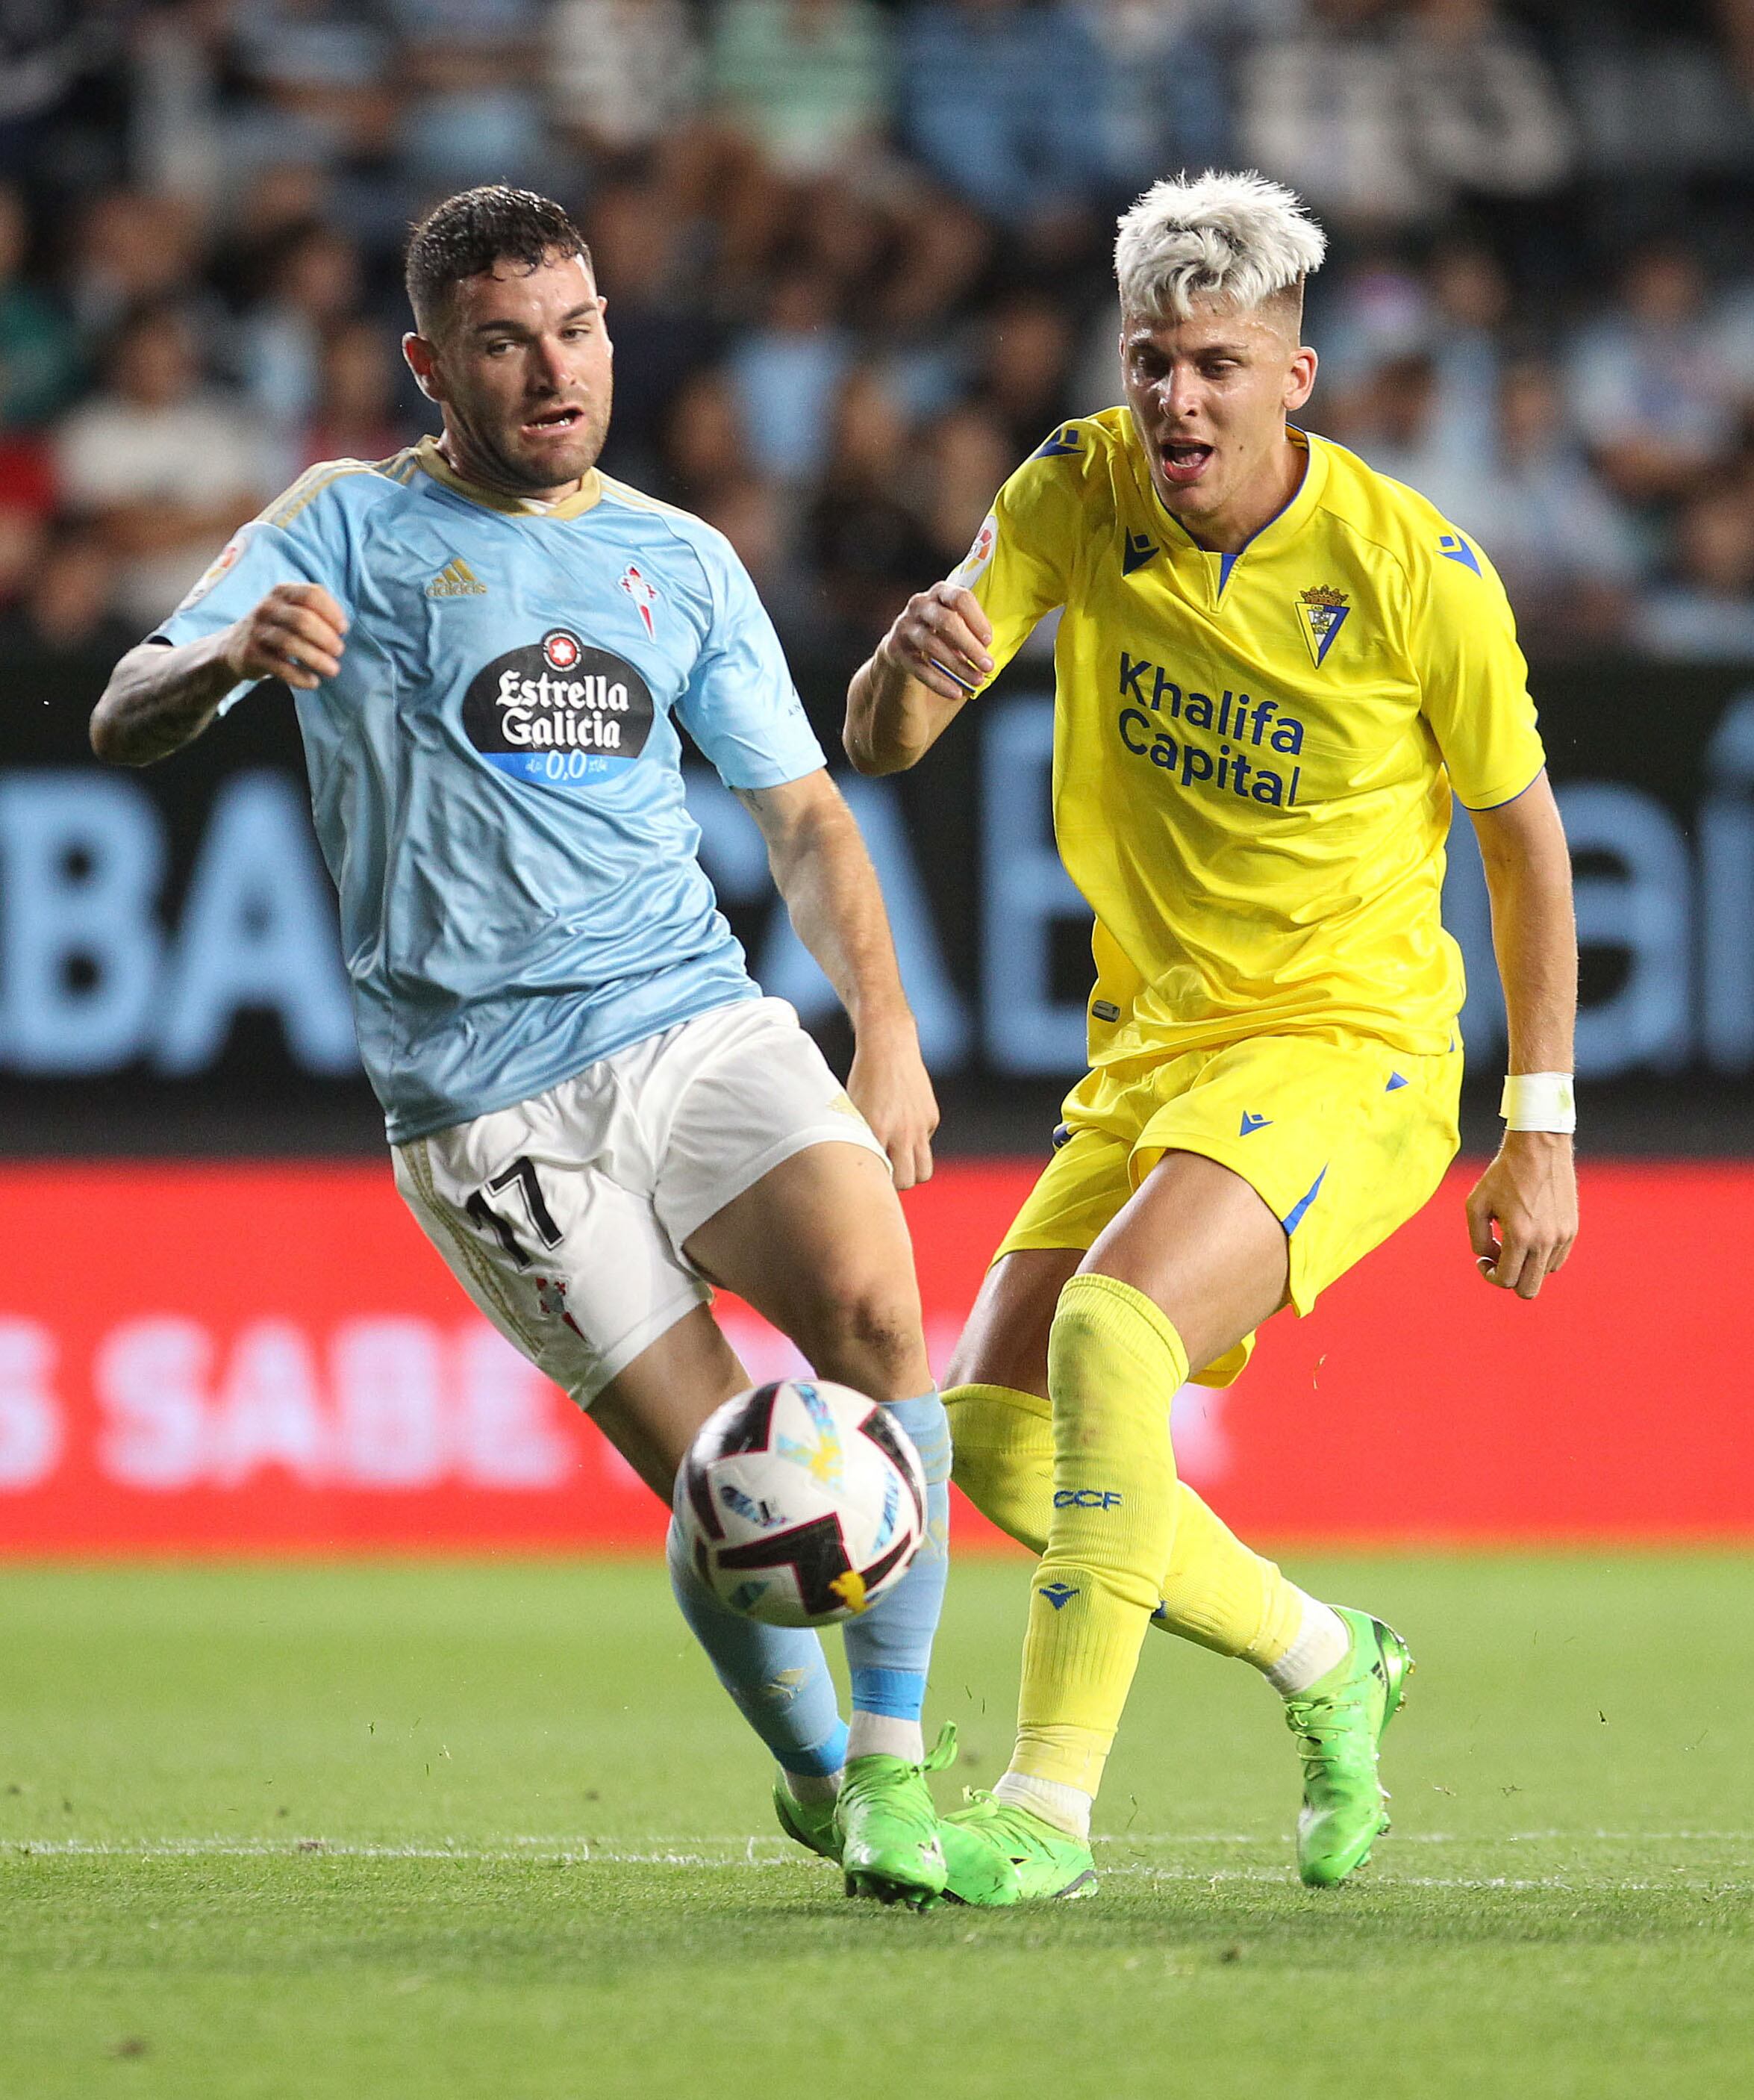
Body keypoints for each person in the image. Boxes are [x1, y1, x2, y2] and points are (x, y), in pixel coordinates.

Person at [89, 186, 956, 1909]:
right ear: (431, 363)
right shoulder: (341, 526)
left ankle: (893, 1773)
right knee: (735, 1486)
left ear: (610, 334)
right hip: (489, 1108)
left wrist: (893, 1039)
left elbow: (804, 820)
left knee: (870, 1316)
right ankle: (810, 1770)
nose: (552, 369)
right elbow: (125, 706)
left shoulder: (681, 557)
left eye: (576, 330)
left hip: (692, 1019)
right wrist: (227, 661)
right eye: (505, 341)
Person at [844, 169, 1579, 1904]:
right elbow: (889, 741)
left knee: (1110, 1334)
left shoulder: (1417, 572)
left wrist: (1532, 1121)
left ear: (1292, 379)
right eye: (1150, 361)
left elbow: (1525, 839)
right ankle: (1333, 1658)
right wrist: (896, 672)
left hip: (1356, 1045)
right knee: (1000, 1438)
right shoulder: (1071, 489)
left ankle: (1045, 1812)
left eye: (1215, 365)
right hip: (1155, 1045)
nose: (1173, 398)